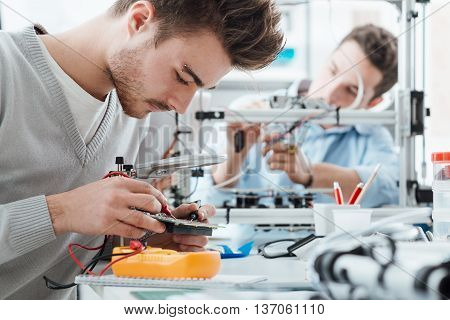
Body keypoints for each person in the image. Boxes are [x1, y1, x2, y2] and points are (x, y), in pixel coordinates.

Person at [0, 0, 284, 299]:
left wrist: (146, 239)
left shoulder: (130, 106)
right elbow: (64, 217)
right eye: (183, 77)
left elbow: (63, 255)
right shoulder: (7, 69)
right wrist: (60, 211)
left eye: (198, 89)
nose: (181, 105)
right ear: (139, 21)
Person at [202, 24, 399, 208]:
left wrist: (310, 174)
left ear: (373, 103)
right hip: (251, 245)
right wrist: (234, 156)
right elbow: (204, 203)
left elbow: (390, 189)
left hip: (329, 246)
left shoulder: (373, 139)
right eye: (333, 70)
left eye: (352, 90)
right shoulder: (250, 112)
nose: (329, 93)